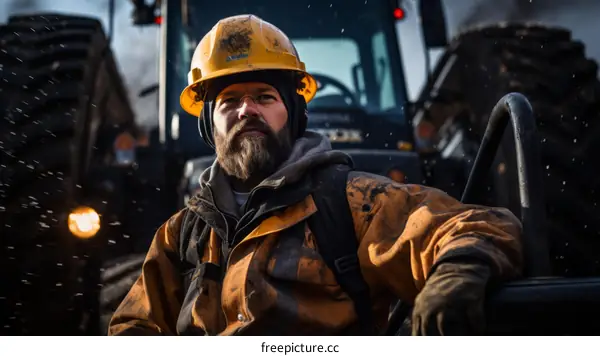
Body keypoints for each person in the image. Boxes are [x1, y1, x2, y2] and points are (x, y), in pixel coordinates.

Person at [108, 14, 523, 336]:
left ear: (294, 113)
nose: (247, 109)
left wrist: (458, 270)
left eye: (264, 97)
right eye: (229, 100)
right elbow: (133, 327)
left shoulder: (356, 203)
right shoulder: (181, 236)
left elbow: (475, 226)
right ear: (208, 126)